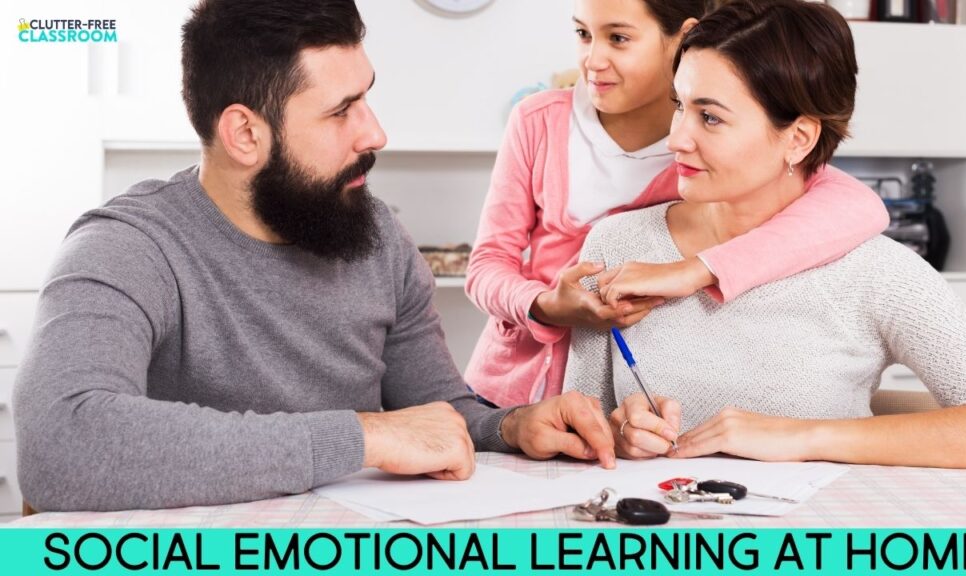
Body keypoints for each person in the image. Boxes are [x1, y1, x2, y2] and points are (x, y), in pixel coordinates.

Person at [12, 0, 617, 513]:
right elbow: (60, 443)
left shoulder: (377, 236)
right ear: (245, 134)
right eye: (339, 112)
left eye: (366, 99)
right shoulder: (127, 247)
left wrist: (511, 426)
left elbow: (435, 411)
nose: (375, 133)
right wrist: (362, 436)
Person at [565, 0, 966, 469]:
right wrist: (619, 435)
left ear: (799, 139)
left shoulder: (874, 271)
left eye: (710, 117)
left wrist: (804, 438)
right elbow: (579, 423)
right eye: (679, 105)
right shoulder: (616, 246)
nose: (676, 139)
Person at [463, 0, 890, 409]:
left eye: (619, 38)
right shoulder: (538, 121)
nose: (592, 60)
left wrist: (693, 270)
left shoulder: (710, 148)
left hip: (624, 394)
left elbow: (858, 206)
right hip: (510, 389)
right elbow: (486, 264)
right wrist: (543, 305)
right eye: (582, 33)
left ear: (684, 36)